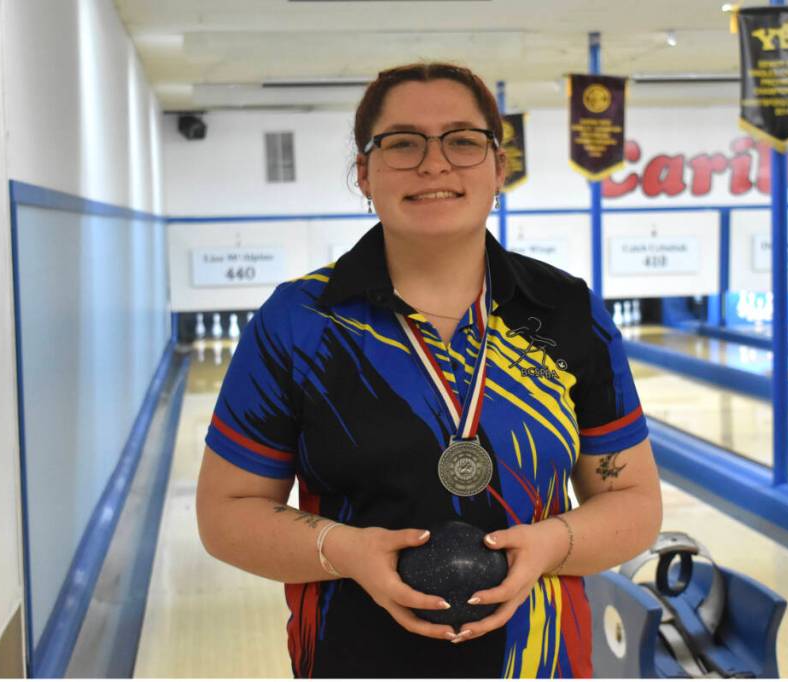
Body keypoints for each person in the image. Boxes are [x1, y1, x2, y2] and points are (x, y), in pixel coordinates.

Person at [196, 62, 662, 678]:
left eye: (463, 141)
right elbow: (226, 512)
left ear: (500, 168)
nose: (434, 164)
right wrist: (346, 551)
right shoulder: (299, 322)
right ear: (364, 173)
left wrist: (550, 544)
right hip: (353, 660)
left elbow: (633, 500)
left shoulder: (567, 311)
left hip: (544, 663)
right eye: (402, 142)